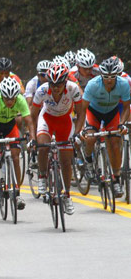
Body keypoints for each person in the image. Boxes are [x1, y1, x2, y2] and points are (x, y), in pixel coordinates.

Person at [30, 63, 85, 215]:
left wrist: (77, 133)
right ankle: (42, 175)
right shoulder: (41, 91)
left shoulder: (73, 89)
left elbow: (81, 114)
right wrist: (33, 138)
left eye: (59, 84)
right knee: (42, 146)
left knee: (66, 161)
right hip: (47, 118)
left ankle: (67, 195)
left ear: (65, 82)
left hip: (65, 122)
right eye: (52, 84)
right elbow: (33, 116)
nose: (55, 88)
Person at [81, 57, 130, 197]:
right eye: (106, 77)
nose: (109, 80)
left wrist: (121, 123)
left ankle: (116, 179)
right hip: (93, 112)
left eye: (112, 77)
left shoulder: (124, 84)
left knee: (115, 143)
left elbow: (126, 108)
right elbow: (83, 109)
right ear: (101, 75)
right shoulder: (93, 84)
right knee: (90, 138)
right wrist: (83, 129)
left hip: (112, 113)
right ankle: (88, 160)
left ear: (118, 75)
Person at [0, 77, 35, 209]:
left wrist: (32, 137)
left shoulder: (20, 100)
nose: (9, 101)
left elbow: (29, 120)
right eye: (6, 99)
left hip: (10, 125)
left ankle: (17, 192)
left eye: (12, 99)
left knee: (15, 157)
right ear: (1, 95)